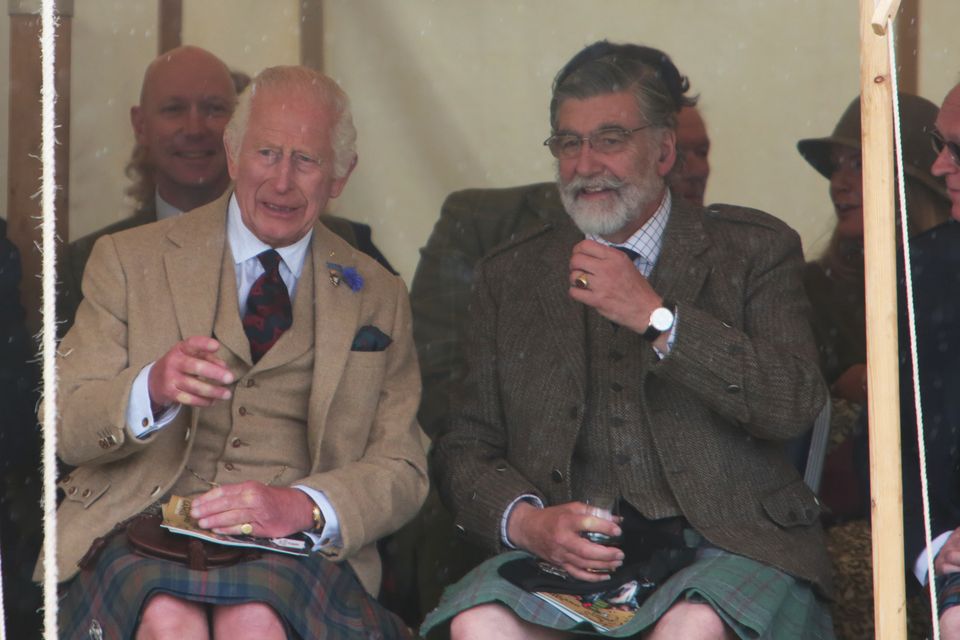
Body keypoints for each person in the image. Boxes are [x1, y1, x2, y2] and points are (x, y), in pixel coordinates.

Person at [420, 41, 832, 640]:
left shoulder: (752, 250)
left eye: (610, 139)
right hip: (566, 561)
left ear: (663, 150)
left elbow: (793, 402)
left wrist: (660, 318)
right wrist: (527, 523)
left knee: (691, 627)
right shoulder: (510, 275)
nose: (585, 164)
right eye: (568, 142)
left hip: (728, 547)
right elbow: (464, 445)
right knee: (481, 625)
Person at [45, 65, 428, 639]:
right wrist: (148, 387)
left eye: (307, 160)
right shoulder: (126, 259)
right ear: (232, 154)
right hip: (137, 527)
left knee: (256, 622)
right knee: (166, 621)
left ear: (341, 175)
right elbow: (63, 422)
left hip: (291, 550)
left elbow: (403, 465)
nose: (281, 182)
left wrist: (305, 506)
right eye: (267, 153)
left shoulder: (379, 293)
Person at [59, 46, 395, 333]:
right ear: (140, 125)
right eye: (174, 109)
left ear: (238, 130)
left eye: (214, 109)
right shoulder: (94, 262)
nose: (195, 128)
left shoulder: (351, 248)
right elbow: (77, 398)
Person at [796, 93, 951, 640]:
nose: (840, 182)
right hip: (871, 500)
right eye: (837, 167)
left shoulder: (941, 270)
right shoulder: (811, 288)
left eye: (860, 162)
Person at [900, 81, 960, 639]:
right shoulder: (922, 272)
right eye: (939, 144)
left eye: (958, 150)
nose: (940, 167)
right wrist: (936, 547)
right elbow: (891, 443)